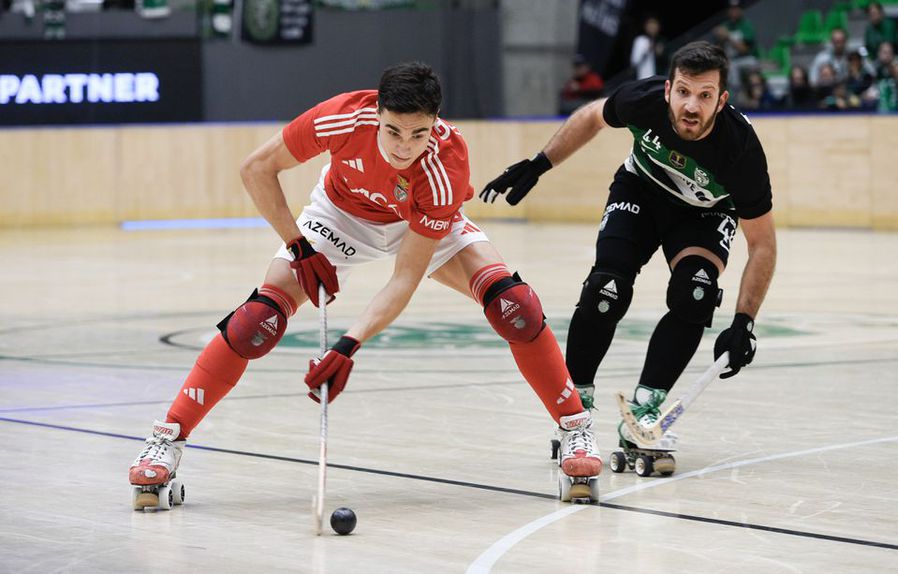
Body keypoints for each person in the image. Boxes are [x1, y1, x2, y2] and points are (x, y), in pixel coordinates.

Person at [128, 62, 602, 507]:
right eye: (393, 130)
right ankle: (165, 440)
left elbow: (405, 279)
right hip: (340, 217)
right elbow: (256, 168)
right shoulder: (340, 119)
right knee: (258, 319)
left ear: (435, 124)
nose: (403, 146)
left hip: (419, 223)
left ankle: (574, 425)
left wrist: (348, 345)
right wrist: (298, 246)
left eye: (418, 134)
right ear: (376, 115)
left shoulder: (443, 167)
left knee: (513, 306)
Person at [481, 42, 776, 474]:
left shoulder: (740, 150)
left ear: (722, 100)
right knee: (606, 288)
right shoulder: (642, 99)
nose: (692, 106)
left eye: (705, 95)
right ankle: (573, 410)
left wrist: (744, 321)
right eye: (683, 92)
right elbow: (591, 117)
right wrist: (539, 163)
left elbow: (763, 243)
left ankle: (645, 409)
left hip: (704, 213)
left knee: (696, 294)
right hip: (640, 190)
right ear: (668, 90)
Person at [712, 0, 759, 94]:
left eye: (736, 9)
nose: (733, 12)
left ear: (741, 10)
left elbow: (744, 50)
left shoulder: (746, 26)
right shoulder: (725, 25)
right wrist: (720, 39)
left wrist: (728, 36)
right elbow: (718, 50)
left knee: (733, 68)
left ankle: (736, 98)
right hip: (730, 60)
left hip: (747, 59)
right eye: (731, 9)